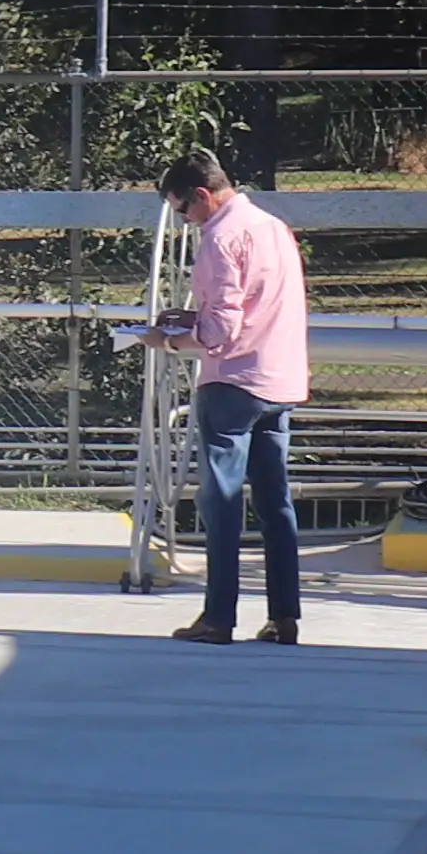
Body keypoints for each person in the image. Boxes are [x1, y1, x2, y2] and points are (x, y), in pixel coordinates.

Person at [154, 146, 307, 643]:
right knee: (275, 501)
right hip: (279, 378)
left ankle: (218, 615)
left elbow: (221, 330)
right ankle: (285, 615)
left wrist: (171, 339)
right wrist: (195, 319)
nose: (185, 221)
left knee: (221, 499)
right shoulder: (274, 228)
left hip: (232, 382)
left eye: (183, 210)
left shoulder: (219, 237)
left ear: (202, 195)